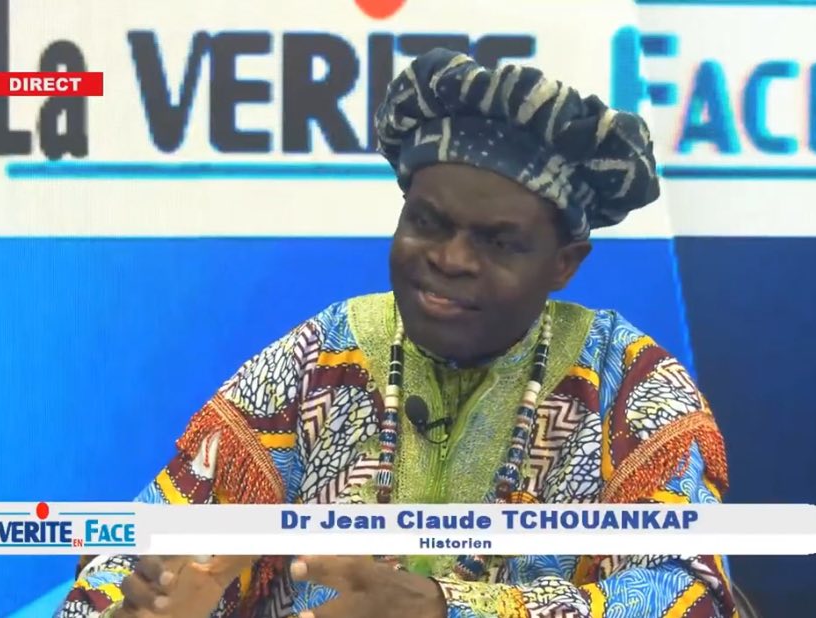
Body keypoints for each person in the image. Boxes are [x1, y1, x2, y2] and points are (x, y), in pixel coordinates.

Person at [56, 48, 736, 618]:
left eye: (498, 241)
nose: (451, 259)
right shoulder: (322, 354)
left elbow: (688, 594)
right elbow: (144, 546)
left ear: (564, 264)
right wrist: (150, 600)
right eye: (427, 223)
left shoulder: (629, 383)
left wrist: (446, 608)